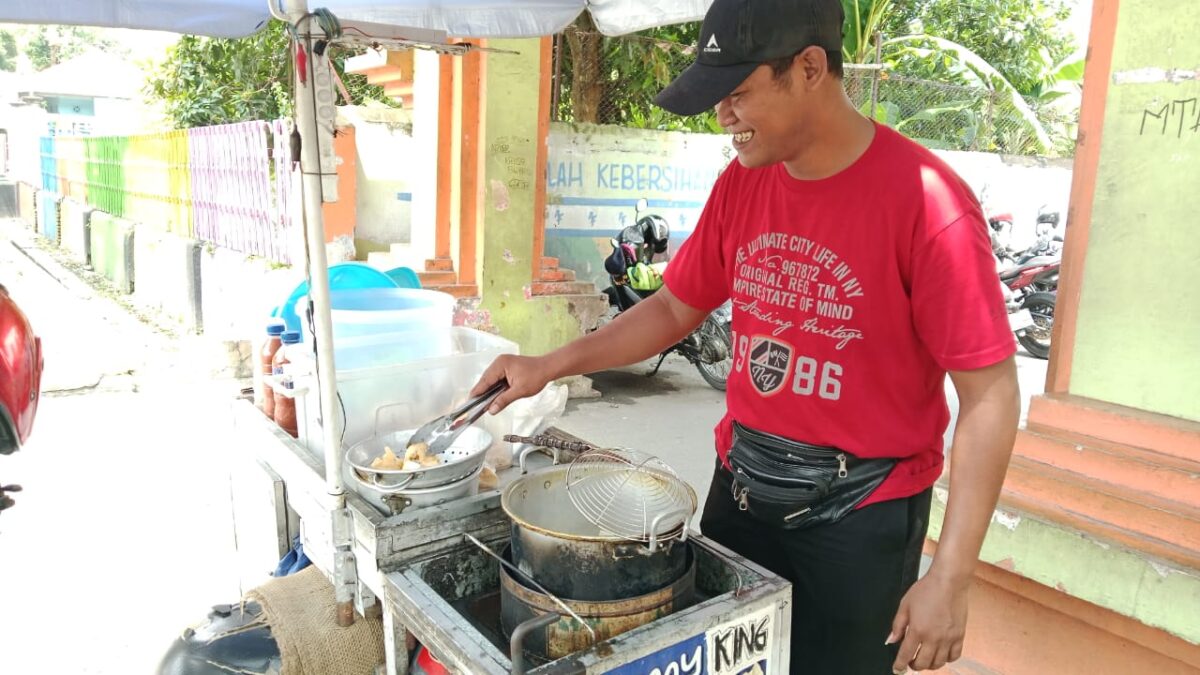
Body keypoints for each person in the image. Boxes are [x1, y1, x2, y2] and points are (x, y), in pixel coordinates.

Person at [471, 0, 1020, 671]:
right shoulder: (743, 185)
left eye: (737, 93)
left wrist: (953, 575)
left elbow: (990, 395)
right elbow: (675, 307)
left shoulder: (926, 202)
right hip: (743, 493)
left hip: (860, 517)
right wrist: (548, 364)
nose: (722, 116)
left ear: (810, 68)